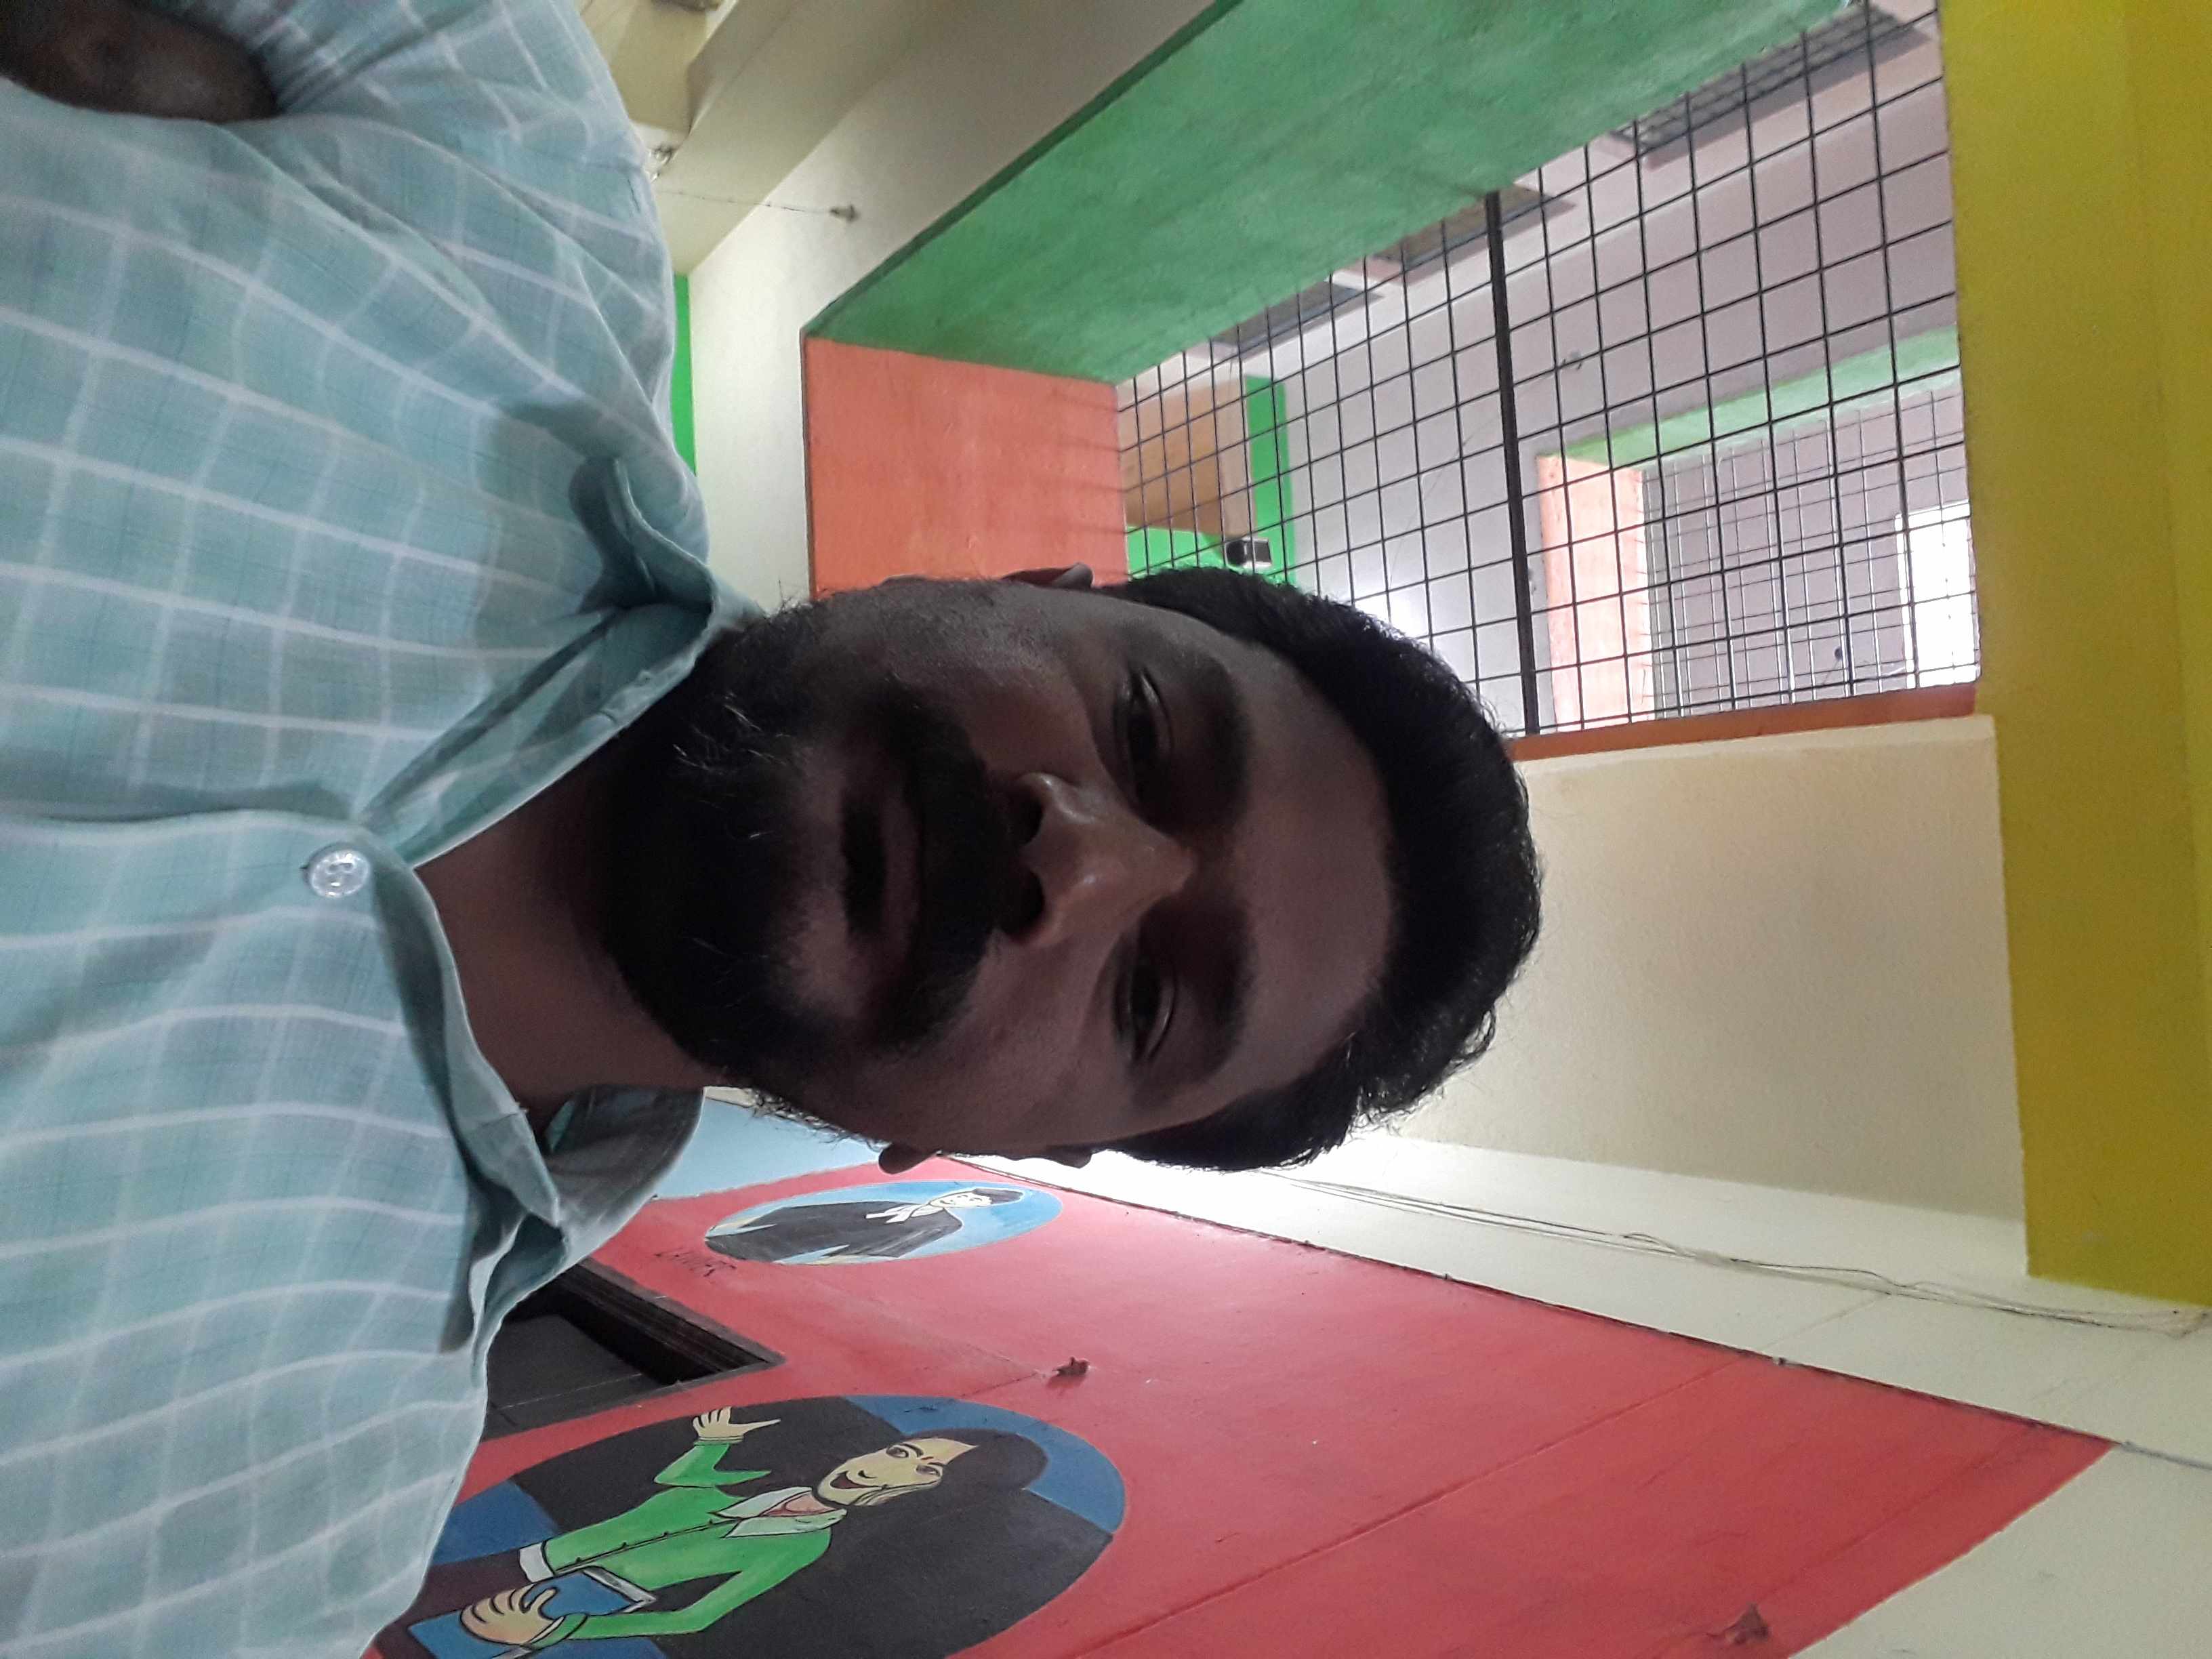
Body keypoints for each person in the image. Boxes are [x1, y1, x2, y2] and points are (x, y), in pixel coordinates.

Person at [0, 1, 1540, 1656]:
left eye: (1151, 997)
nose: (1078, 861)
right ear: (1022, 585)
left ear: (1013, 1151)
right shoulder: (490, 168)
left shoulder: (251, 1542)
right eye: (1147, 731)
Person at [375, 1410, 1046, 1654]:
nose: (887, 1466)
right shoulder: (757, 1484)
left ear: (930, 1493)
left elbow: (696, 1618)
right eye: (903, 1450)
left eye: (925, 1470)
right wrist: (711, 1444)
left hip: (564, 1602)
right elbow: (676, 1487)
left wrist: (557, 1631)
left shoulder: (806, 1541)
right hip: (510, 1561)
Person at [705, 1185, 1029, 1264]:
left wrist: (820, 1264)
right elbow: (806, 1210)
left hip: (788, 1250)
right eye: (966, 1194)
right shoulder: (888, 1203)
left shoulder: (944, 1225)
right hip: (771, 1231)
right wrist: (739, 1225)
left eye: (974, 1201)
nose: (962, 1199)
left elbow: (886, 1250)